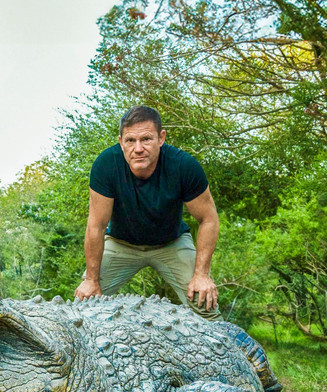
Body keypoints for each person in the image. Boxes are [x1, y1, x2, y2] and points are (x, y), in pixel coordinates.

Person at [73, 106, 220, 319]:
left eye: (146, 139)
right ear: (121, 141)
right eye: (130, 140)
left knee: (205, 302)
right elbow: (96, 226)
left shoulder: (183, 165)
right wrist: (91, 280)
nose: (138, 148)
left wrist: (201, 274)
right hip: (121, 243)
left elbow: (208, 219)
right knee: (82, 306)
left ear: (161, 138)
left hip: (171, 243)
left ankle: (233, 351)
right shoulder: (106, 165)